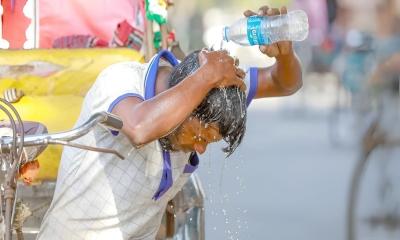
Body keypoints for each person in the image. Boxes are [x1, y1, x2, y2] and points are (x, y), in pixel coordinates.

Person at [37, 5, 302, 240]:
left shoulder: (211, 94)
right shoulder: (119, 81)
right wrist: (206, 76)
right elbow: (140, 128)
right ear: (185, 107)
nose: (200, 150)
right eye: (201, 137)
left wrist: (285, 55)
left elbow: (284, 83)